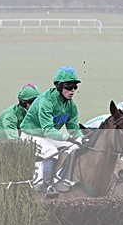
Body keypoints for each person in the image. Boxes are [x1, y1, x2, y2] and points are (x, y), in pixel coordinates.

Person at [21, 66, 84, 196]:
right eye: (68, 86)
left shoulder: (71, 106)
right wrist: (67, 137)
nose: (72, 90)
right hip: (30, 135)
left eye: (75, 87)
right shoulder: (46, 101)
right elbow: (48, 130)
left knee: (72, 147)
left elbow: (74, 129)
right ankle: (47, 187)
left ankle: (61, 179)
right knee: (51, 151)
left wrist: (80, 138)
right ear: (59, 86)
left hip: (45, 136)